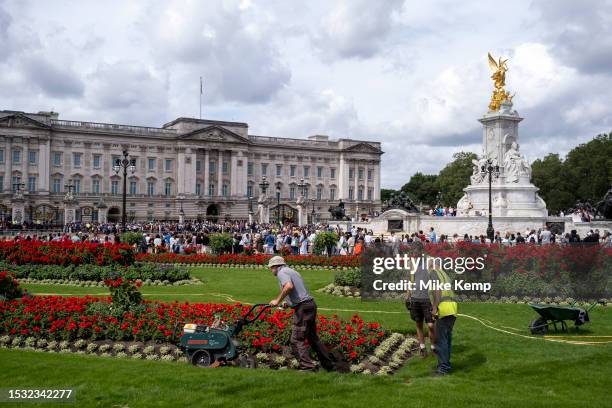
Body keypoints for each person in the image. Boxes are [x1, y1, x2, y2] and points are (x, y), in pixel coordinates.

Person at [267, 256, 335, 372]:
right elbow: (299, 292)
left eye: (270, 268)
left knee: (296, 339)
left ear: (275, 266)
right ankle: (329, 365)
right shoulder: (292, 271)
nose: (270, 270)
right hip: (310, 305)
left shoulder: (281, 272)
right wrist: (288, 303)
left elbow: (289, 287)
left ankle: (307, 367)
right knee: (313, 339)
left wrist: (277, 300)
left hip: (303, 308)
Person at [430, 267, 458, 376]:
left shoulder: (433, 272)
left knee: (441, 340)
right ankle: (445, 365)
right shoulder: (443, 273)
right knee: (446, 339)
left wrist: (434, 307)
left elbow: (437, 290)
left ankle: (443, 369)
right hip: (452, 307)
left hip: (444, 308)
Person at [407, 261, 435, 358]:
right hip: (415, 299)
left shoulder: (429, 262)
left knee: (431, 325)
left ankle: (433, 347)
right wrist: (408, 297)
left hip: (427, 300)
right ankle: (422, 348)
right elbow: (410, 281)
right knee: (418, 324)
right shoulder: (412, 264)